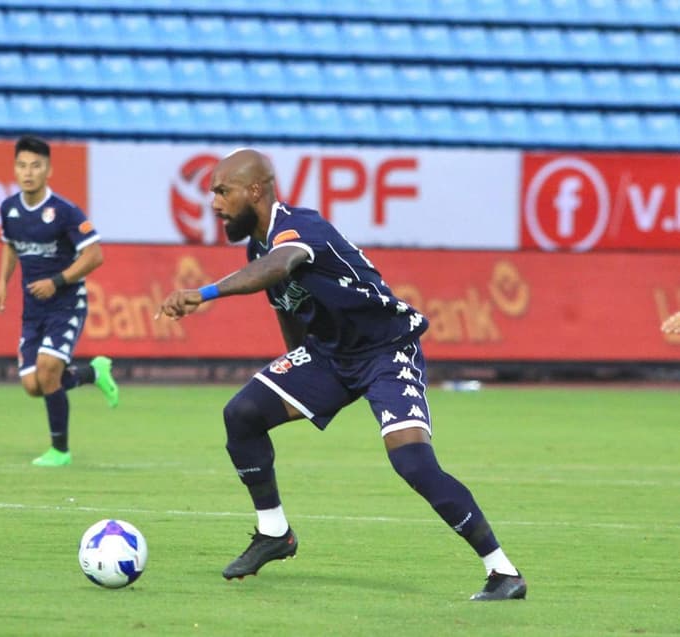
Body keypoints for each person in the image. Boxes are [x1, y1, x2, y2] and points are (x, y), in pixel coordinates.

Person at [156, 149, 526, 601]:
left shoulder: (298, 227)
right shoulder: (259, 247)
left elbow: (280, 266)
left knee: (413, 463)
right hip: (329, 357)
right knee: (244, 414)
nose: (213, 203)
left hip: (387, 352)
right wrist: (299, 375)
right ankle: (274, 533)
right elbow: (287, 306)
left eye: (221, 191)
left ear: (254, 190)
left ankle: (502, 572)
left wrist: (205, 292)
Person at [0, 135, 119, 467]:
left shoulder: (64, 211)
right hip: (32, 311)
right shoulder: (9, 208)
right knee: (34, 385)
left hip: (66, 304)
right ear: (15, 169)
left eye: (35, 166)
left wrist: (57, 281)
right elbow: (10, 246)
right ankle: (93, 373)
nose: (28, 172)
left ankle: (60, 451)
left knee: (49, 370)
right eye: (22, 165)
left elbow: (95, 255)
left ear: (48, 169)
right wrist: (2, 283)